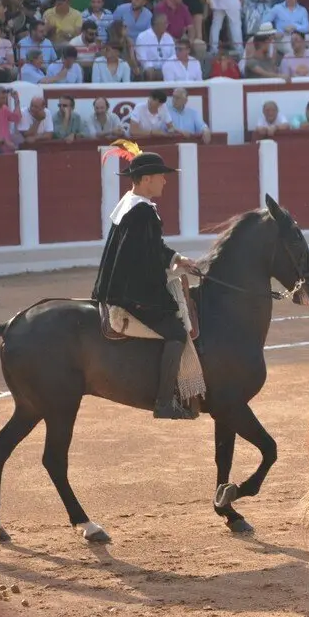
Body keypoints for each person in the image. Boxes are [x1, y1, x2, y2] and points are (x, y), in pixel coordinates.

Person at [93, 140, 197, 420]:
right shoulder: (142, 211)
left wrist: (176, 258)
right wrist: (171, 273)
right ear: (146, 179)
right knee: (176, 331)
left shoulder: (130, 204)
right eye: (161, 176)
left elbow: (150, 248)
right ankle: (164, 403)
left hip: (117, 285)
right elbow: (146, 260)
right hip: (133, 293)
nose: (165, 180)